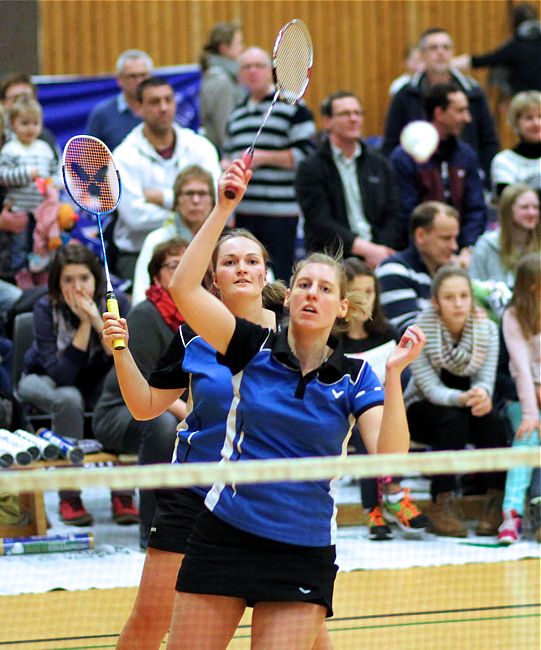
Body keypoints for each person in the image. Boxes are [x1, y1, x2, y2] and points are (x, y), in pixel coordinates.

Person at [164, 159, 425, 649]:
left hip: (301, 549)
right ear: (286, 298)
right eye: (304, 284)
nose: (312, 294)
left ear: (342, 308)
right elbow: (182, 288)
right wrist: (223, 207)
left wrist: (394, 378)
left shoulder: (358, 377)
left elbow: (389, 458)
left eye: (326, 289)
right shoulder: (248, 348)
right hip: (225, 534)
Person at [103, 230, 307, 649]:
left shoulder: (296, 342)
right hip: (195, 495)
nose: (242, 268)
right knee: (150, 620)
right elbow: (145, 407)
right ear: (213, 276)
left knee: (308, 633)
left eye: (252, 260)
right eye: (230, 261)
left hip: (268, 502)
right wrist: (120, 351)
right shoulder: (191, 338)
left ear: (265, 271)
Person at [17, 243, 134, 525]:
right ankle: (70, 496)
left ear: (96, 280)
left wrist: (96, 319)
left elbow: (122, 361)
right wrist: (84, 324)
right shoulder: (45, 308)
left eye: (84, 278)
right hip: (42, 377)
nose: (77, 287)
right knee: (69, 398)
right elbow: (62, 375)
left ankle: (124, 493)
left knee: (123, 389)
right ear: (57, 284)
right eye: (68, 280)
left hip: (95, 380)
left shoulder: (116, 303)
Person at [93, 238, 190, 549]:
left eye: (187, 264)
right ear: (157, 275)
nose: (182, 270)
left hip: (169, 409)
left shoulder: (200, 314)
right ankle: (151, 531)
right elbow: (147, 388)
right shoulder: (146, 316)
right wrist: (189, 415)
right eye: (173, 265)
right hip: (121, 413)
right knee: (162, 425)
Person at [405, 265, 507, 537]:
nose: (458, 303)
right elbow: (429, 388)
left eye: (464, 296)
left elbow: (486, 380)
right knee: (453, 420)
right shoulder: (418, 331)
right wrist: (462, 399)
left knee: (493, 422)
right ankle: (441, 501)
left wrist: (482, 394)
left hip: (466, 407)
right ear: (436, 301)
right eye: (449, 297)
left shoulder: (488, 330)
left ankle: (496, 501)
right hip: (422, 409)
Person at [342, 257, 429, 541]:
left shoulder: (388, 333)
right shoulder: (334, 340)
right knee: (364, 432)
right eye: (359, 292)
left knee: (386, 428)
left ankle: (386, 501)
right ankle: (380, 504)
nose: (366, 299)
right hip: (345, 414)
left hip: (382, 408)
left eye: (370, 291)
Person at [222, 46, 317, 282]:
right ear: (239, 75)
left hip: (281, 215)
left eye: (259, 66)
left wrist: (264, 157)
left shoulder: (293, 106)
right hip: (244, 214)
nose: (253, 71)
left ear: (271, 70)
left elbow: (308, 155)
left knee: (278, 280)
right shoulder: (236, 115)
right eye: (246, 67)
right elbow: (228, 153)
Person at [112, 77, 221, 282]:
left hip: (200, 247)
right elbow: (135, 217)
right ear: (138, 108)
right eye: (154, 102)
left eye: (168, 100)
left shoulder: (200, 146)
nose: (163, 108)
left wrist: (163, 198)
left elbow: (214, 200)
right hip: (138, 253)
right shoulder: (124, 155)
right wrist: (188, 209)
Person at [295, 90, 406, 267]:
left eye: (358, 113)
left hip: (380, 255)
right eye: (345, 114)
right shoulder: (311, 167)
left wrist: (381, 250)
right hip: (332, 258)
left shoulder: (379, 163)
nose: (354, 119)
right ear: (327, 121)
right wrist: (366, 250)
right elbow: (320, 222)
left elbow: (394, 214)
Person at [381, 28, 499, 184]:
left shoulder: (472, 92)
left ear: (452, 53)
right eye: (433, 48)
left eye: (446, 47)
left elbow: (488, 141)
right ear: (422, 55)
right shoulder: (406, 94)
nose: (440, 52)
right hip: (418, 180)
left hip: (466, 177)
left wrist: (483, 176)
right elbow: (391, 142)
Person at [390, 83, 487, 254]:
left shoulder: (466, 155)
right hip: (419, 251)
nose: (467, 118)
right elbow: (406, 213)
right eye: (460, 111)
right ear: (439, 113)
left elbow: (476, 208)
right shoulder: (405, 157)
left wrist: (468, 246)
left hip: (462, 250)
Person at [497, 253, 541, 544]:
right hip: (517, 399)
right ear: (534, 288)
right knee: (528, 439)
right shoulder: (512, 317)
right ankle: (510, 516)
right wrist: (530, 414)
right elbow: (521, 368)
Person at [131, 165, 215, 305]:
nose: (195, 200)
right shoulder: (156, 240)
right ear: (177, 201)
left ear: (212, 202)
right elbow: (140, 296)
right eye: (189, 193)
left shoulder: (224, 240)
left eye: (202, 194)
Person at [0, 98, 62, 286]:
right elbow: (3, 176)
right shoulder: (10, 149)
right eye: (24, 123)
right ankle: (21, 277)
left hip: (42, 212)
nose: (30, 129)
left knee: (41, 246)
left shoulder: (44, 148)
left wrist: (55, 183)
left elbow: (53, 172)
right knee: (19, 247)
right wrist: (27, 174)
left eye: (35, 123)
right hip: (19, 211)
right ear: (13, 124)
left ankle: (41, 277)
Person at [376, 201, 460, 334]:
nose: (454, 246)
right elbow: (411, 335)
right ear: (420, 236)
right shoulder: (393, 270)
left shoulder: (451, 272)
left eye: (455, 238)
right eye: (446, 238)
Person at [452, 2, 541, 95]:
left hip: (525, 100)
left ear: (514, 22)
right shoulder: (518, 45)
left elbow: (486, 60)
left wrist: (450, 63)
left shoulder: (515, 46)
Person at [470, 183, 540, 289]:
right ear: (508, 210)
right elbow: (474, 286)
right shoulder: (486, 246)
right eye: (525, 207)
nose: (532, 213)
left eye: (536, 207)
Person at [85, 49, 154, 152]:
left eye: (143, 75)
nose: (139, 81)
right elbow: (90, 159)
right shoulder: (102, 114)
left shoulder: (161, 109)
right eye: (132, 76)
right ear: (120, 80)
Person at [198, 21, 245, 153]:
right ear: (224, 47)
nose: (242, 48)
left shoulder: (227, 77)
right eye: (239, 43)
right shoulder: (220, 81)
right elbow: (225, 129)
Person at [490, 91, 541, 199]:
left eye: (540, 116)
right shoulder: (504, 161)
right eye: (529, 118)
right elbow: (508, 202)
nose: (537, 123)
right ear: (516, 123)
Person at [0, 73, 59, 155]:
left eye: (26, 97)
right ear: (3, 102)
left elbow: (56, 165)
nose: (21, 102)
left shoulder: (45, 137)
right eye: (15, 98)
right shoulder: (2, 135)